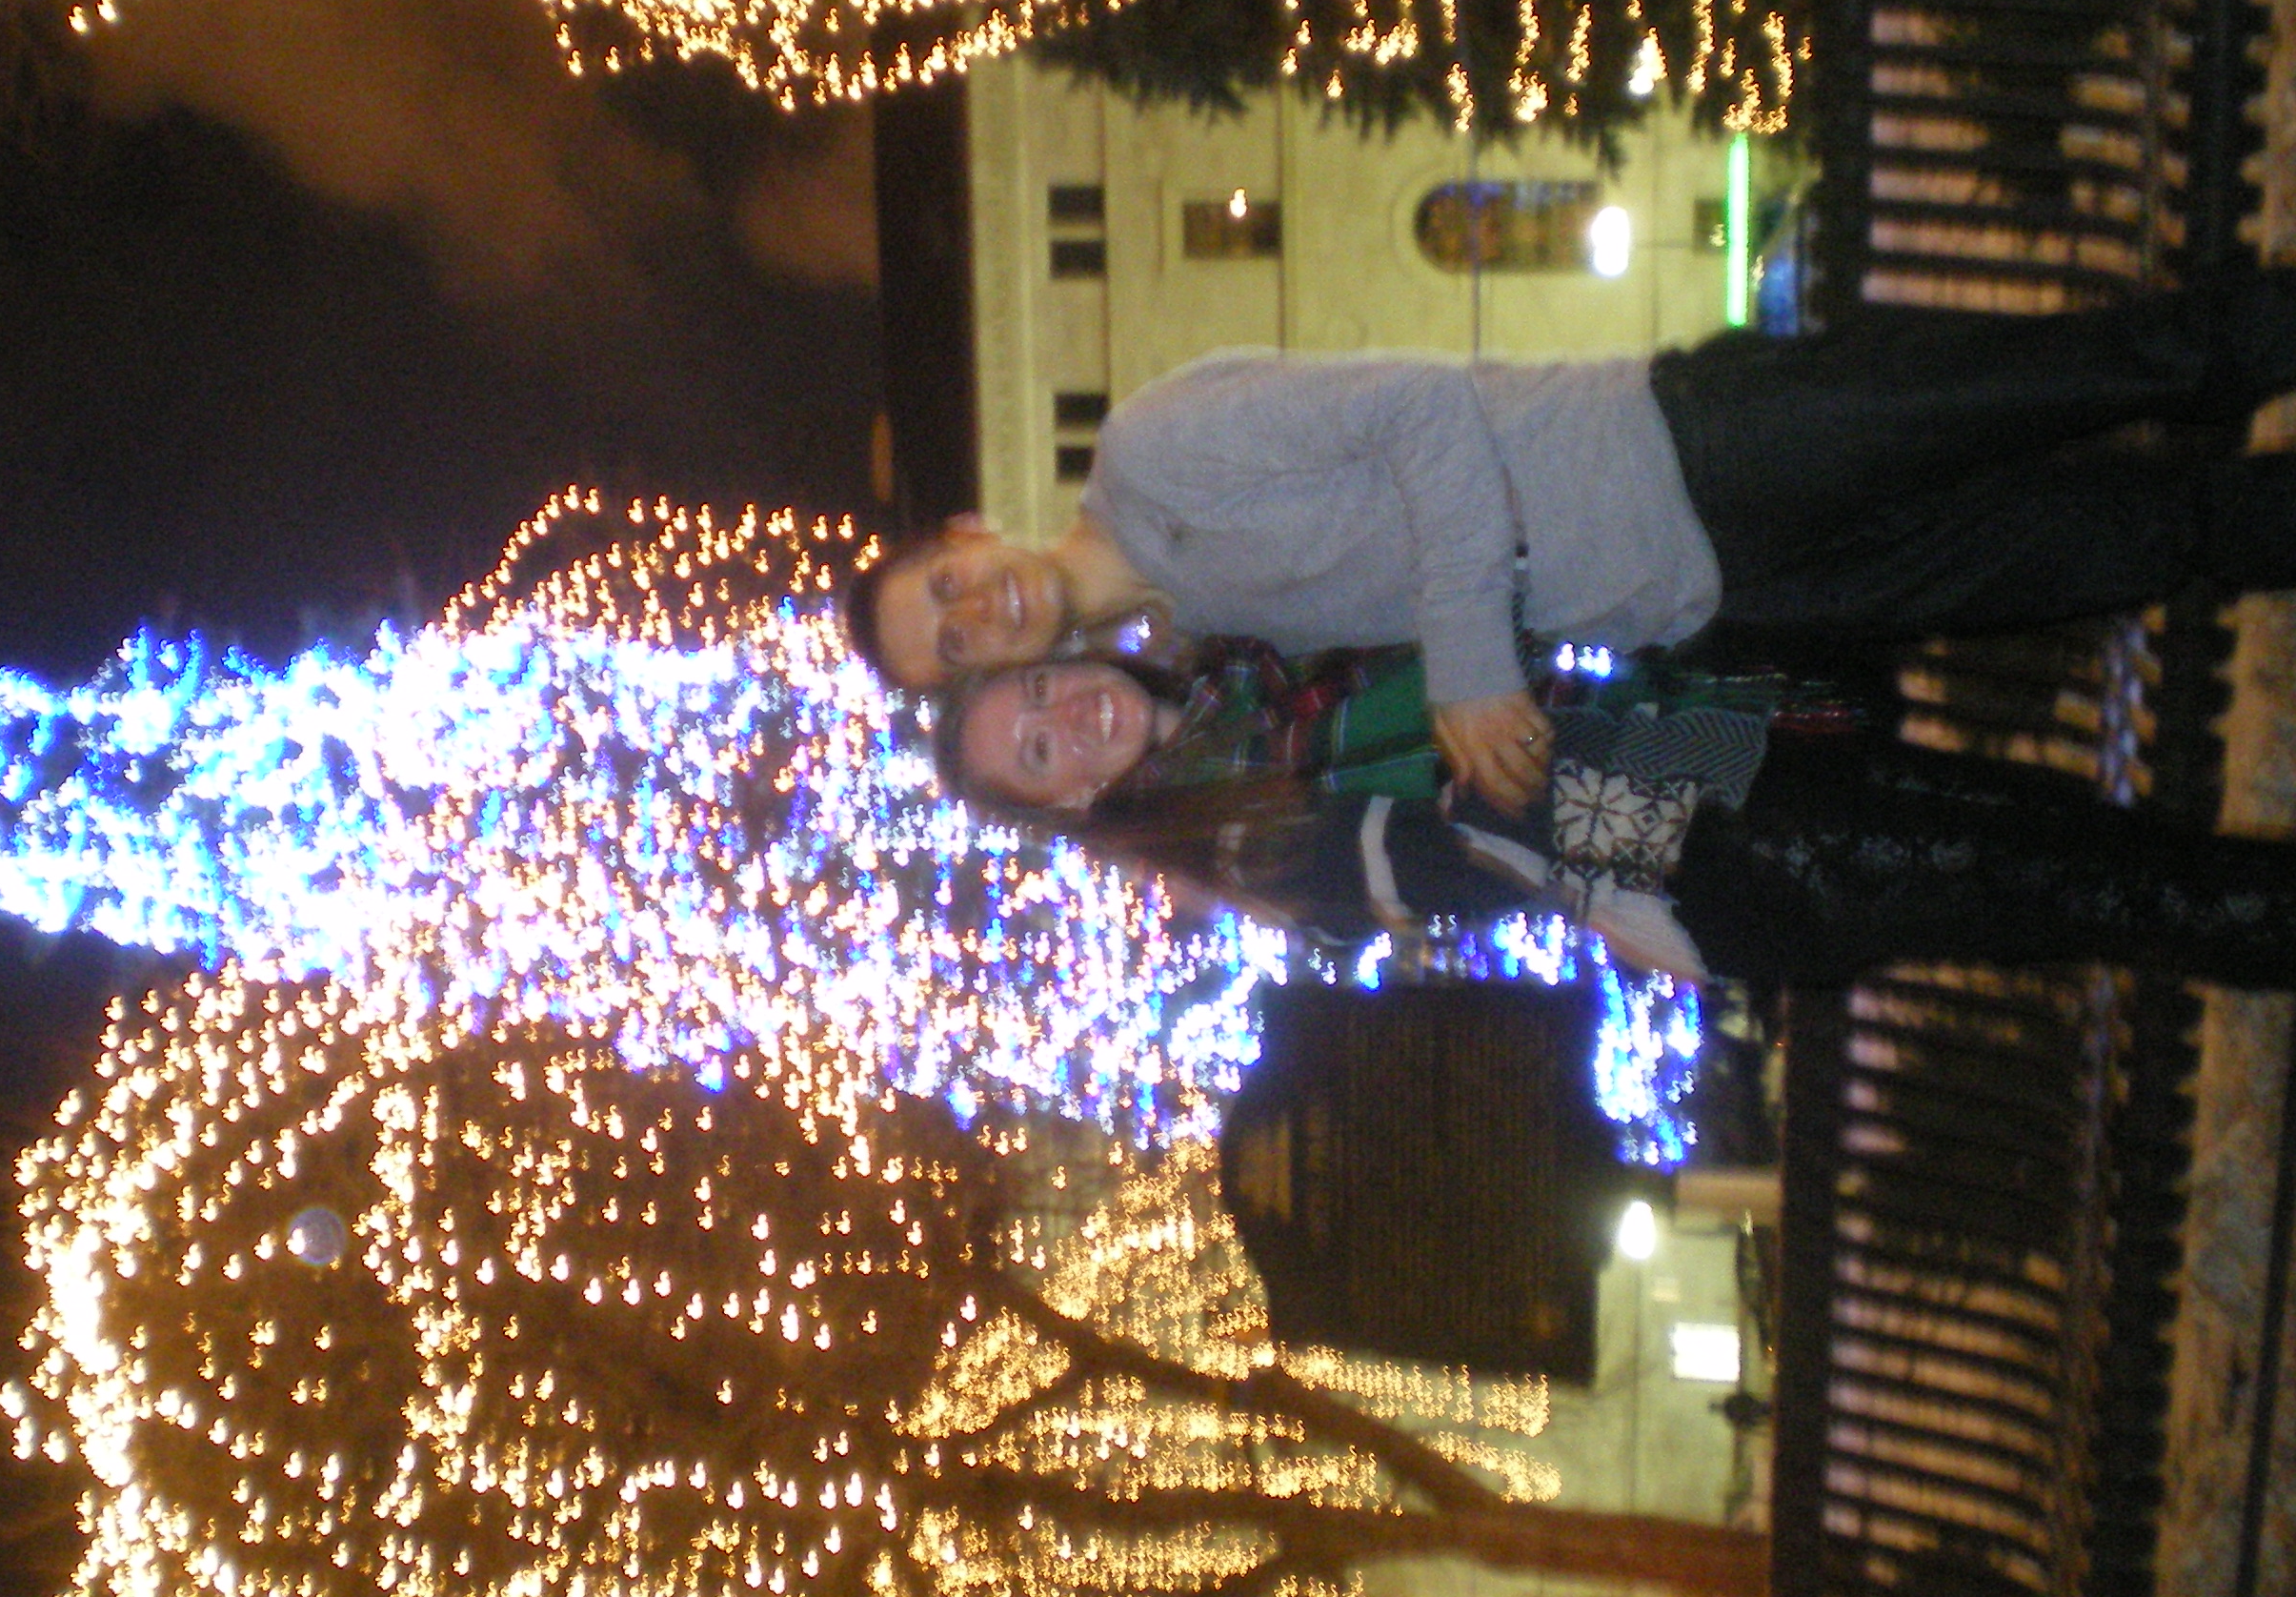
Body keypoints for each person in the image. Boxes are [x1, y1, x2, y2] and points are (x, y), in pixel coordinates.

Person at [850, 273, 2296, 816]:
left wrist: (1472, 669)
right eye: (954, 643)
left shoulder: (1155, 449)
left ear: (968, 533)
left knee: (2117, 369)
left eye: (948, 587)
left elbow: (1425, 409)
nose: (979, 613)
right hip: (1707, 586)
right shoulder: (1197, 632)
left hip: (1700, 444)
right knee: (2129, 546)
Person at [935, 638, 2296, 992]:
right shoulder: (1249, 847)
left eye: (1040, 689)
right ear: (1068, 801)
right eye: (1040, 749)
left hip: (1684, 760)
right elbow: (1466, 845)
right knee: (2077, 883)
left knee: (2070, 841)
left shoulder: (1255, 667)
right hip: (1700, 856)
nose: (1072, 717)